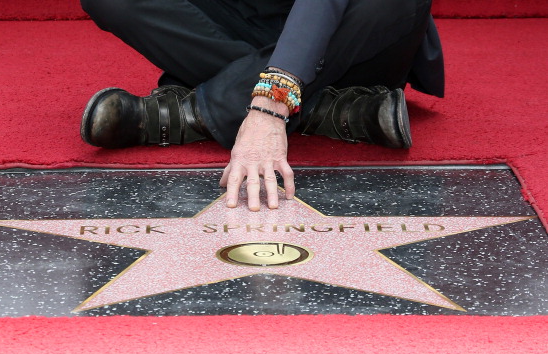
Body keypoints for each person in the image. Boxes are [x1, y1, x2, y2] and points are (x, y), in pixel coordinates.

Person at [80, 0, 444, 211]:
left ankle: (186, 113)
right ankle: (327, 109)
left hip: (352, 30)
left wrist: (270, 105)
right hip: (245, 21)